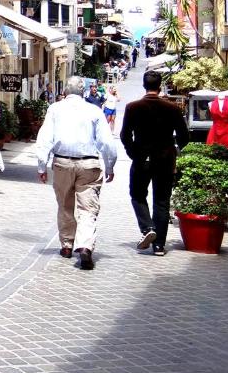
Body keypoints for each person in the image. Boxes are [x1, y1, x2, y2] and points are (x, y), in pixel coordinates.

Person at [36, 76, 118, 270]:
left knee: (64, 204)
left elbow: (45, 137)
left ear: (65, 91)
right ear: (83, 92)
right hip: (89, 164)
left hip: (62, 163)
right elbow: (107, 142)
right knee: (88, 209)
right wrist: (110, 165)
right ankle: (85, 246)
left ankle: (66, 245)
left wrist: (42, 166)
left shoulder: (55, 109)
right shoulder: (94, 111)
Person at [120, 70, 190, 256]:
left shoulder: (133, 107)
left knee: (137, 194)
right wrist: (176, 152)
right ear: (160, 87)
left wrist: (133, 152)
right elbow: (184, 137)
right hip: (166, 158)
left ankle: (147, 227)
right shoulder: (173, 108)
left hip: (142, 157)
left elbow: (125, 135)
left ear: (144, 85)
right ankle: (159, 245)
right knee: (162, 200)